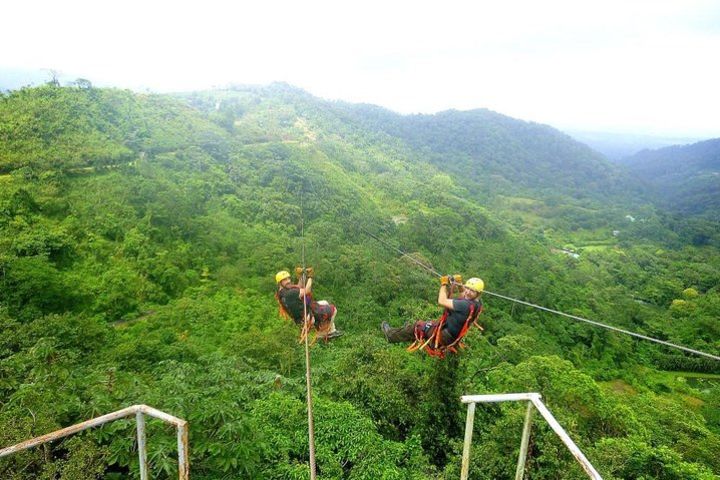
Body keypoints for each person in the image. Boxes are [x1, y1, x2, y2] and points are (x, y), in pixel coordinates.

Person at [382, 275, 484, 356]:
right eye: (467, 288)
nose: (468, 292)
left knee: (419, 326)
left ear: (478, 293)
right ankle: (407, 331)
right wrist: (460, 284)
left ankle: (390, 335)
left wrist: (444, 285)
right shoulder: (477, 304)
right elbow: (464, 295)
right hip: (451, 335)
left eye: (472, 291)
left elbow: (441, 301)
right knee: (423, 325)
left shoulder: (465, 305)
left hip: (444, 336)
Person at [275, 267, 343, 340]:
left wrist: (302, 276)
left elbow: (298, 287)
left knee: (324, 302)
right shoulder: (289, 293)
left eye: (288, 278)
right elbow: (307, 290)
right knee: (333, 309)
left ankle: (332, 330)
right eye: (285, 280)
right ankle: (323, 333)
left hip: (301, 315)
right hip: (306, 318)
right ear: (280, 282)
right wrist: (310, 277)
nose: (288, 281)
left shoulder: (282, 292)